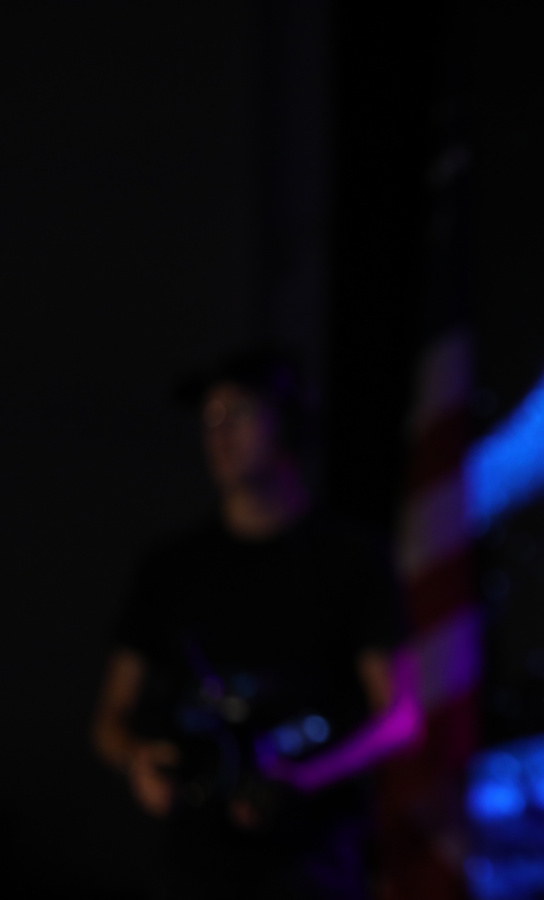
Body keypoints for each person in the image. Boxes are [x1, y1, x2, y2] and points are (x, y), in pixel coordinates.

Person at [91, 348, 421, 900]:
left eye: (238, 414)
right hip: (194, 866)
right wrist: (137, 759)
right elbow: (109, 718)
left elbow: (400, 717)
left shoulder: (351, 560)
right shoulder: (172, 567)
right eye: (210, 419)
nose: (218, 434)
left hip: (312, 864)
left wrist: (301, 780)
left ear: (286, 424)